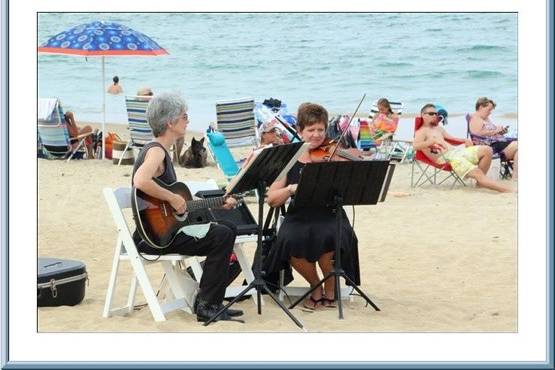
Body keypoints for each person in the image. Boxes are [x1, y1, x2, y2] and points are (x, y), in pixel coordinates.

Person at [131, 92, 243, 322]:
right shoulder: (156, 151)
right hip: (153, 238)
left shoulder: (160, 150)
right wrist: (172, 199)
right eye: (184, 116)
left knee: (227, 229)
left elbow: (179, 207)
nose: (188, 120)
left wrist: (218, 202)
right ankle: (206, 305)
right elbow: (141, 180)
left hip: (161, 232)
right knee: (221, 235)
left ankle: (210, 301)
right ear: (171, 123)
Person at [263, 102, 361, 310]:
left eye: (321, 129)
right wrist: (290, 189)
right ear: (299, 131)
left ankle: (331, 288)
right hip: (299, 215)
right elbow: (271, 199)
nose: (317, 135)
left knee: (330, 239)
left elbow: (353, 184)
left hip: (330, 213)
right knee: (289, 241)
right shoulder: (289, 159)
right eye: (311, 130)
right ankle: (315, 286)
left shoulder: (333, 153)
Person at [413, 104, 513, 193]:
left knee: (487, 150)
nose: (435, 116)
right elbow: (415, 146)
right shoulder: (421, 132)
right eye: (431, 114)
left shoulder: (438, 128)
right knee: (477, 173)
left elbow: (452, 139)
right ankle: (507, 190)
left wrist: (464, 140)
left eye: (436, 113)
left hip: (457, 152)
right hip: (447, 159)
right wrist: (430, 142)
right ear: (423, 115)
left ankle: (480, 182)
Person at [469, 97, 518, 179]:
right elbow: (477, 134)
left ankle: (515, 177)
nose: (490, 112)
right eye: (489, 110)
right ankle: (515, 177)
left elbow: (490, 131)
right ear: (481, 107)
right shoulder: (475, 118)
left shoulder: (484, 118)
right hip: (491, 146)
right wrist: (495, 131)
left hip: (496, 142)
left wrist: (500, 131)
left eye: (491, 110)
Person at [136, 87, 184, 163]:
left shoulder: (135, 109)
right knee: (180, 136)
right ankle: (175, 160)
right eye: (149, 94)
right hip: (155, 135)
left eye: (152, 93)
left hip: (137, 137)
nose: (152, 95)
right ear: (140, 96)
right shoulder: (154, 110)